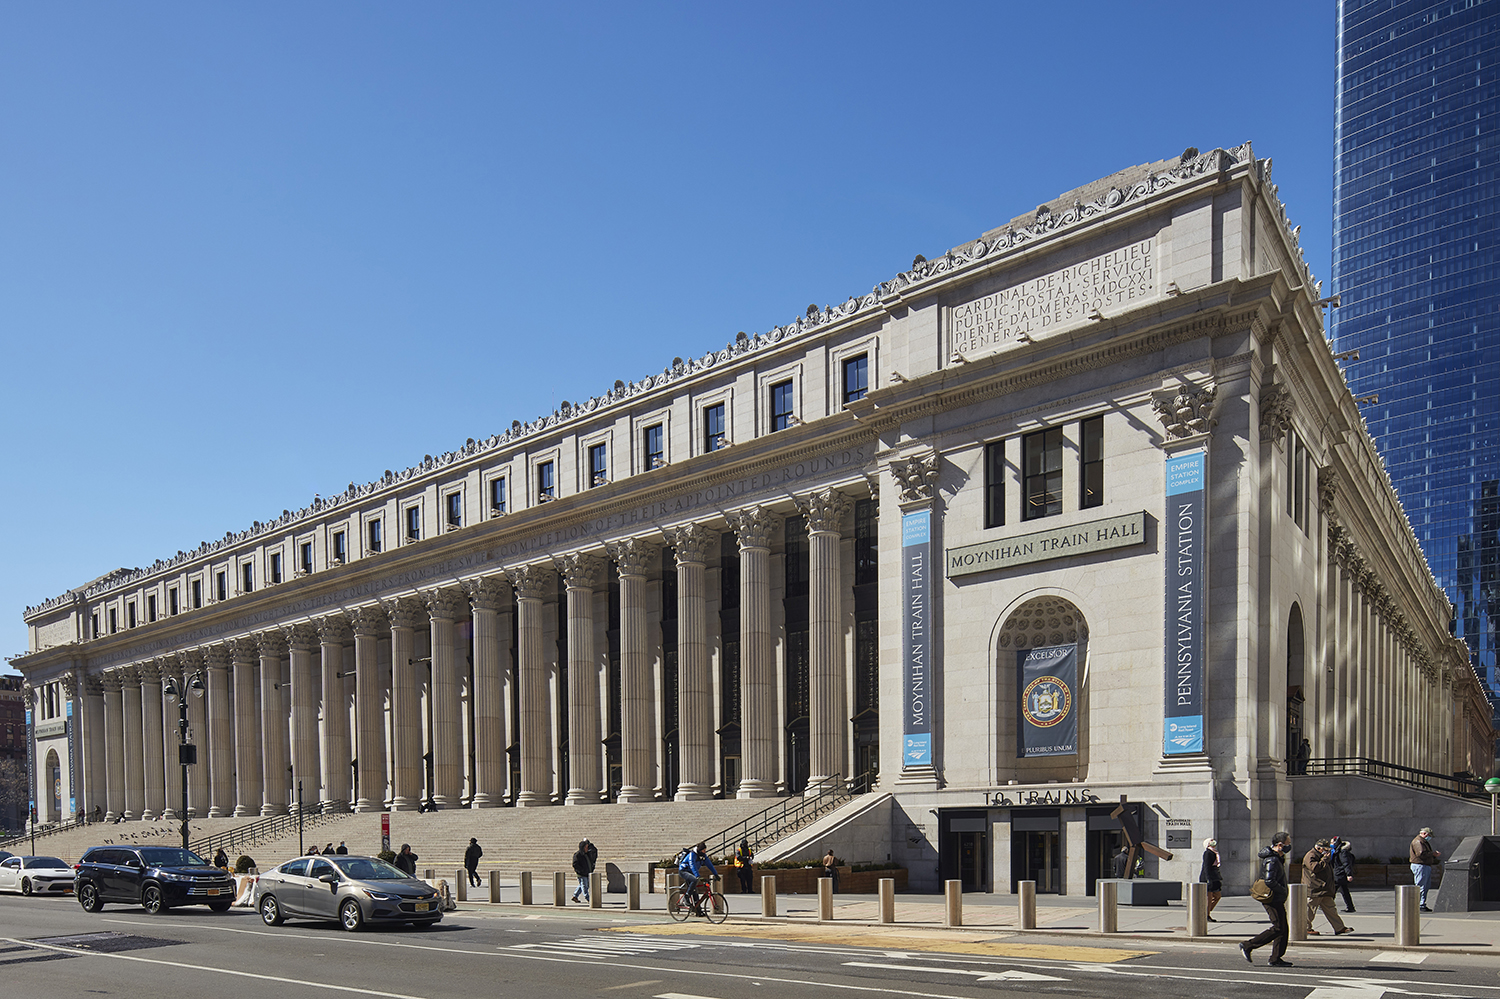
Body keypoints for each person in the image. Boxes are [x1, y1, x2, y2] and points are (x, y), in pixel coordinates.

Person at [1240, 830, 1293, 967]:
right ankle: (1248, 945)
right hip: (1272, 898)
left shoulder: (1277, 858)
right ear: (1280, 845)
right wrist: (1282, 890)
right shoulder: (1272, 860)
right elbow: (1269, 880)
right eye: (1288, 843)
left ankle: (1275, 958)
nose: (1289, 846)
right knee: (1278, 927)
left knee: (1283, 929)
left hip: (1277, 898)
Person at [1301, 838, 1352, 935]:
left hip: (1324, 889)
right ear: (1319, 848)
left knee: (1331, 909)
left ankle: (1339, 927)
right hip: (1315, 888)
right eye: (1326, 849)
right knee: (1310, 910)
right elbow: (1315, 868)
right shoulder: (1311, 855)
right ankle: (1306, 928)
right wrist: (1324, 859)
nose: (1327, 852)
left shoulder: (1322, 855)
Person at [677, 842, 718, 908]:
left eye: (705, 850)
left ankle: (698, 910)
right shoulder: (692, 854)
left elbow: (710, 865)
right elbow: (692, 865)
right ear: (700, 850)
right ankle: (686, 897)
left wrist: (716, 874)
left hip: (691, 872)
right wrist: (697, 875)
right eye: (703, 850)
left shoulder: (703, 856)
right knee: (694, 880)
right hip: (684, 871)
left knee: (695, 891)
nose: (705, 852)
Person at [1410, 827, 1440, 911]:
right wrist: (1433, 854)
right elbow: (1420, 853)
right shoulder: (1418, 841)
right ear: (1425, 834)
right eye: (1429, 835)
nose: (1429, 837)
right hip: (1420, 865)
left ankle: (1421, 904)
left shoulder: (1422, 841)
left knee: (1425, 886)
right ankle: (1419, 904)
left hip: (1424, 865)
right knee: (1421, 886)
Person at [1331, 836, 1356, 913]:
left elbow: (1346, 863)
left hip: (1340, 874)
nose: (1330, 844)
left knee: (1333, 890)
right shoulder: (1337, 851)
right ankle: (1350, 907)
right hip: (1339, 874)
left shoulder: (1342, 852)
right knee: (1344, 891)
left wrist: (1349, 874)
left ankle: (1327, 905)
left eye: (1332, 842)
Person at [1199, 837, 1222, 921]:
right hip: (1208, 877)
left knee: (1217, 896)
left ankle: (1205, 911)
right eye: (1211, 841)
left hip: (1215, 876)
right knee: (1209, 897)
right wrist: (1208, 878)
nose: (1213, 842)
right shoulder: (1208, 853)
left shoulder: (1215, 852)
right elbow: (1206, 867)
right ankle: (1206, 914)